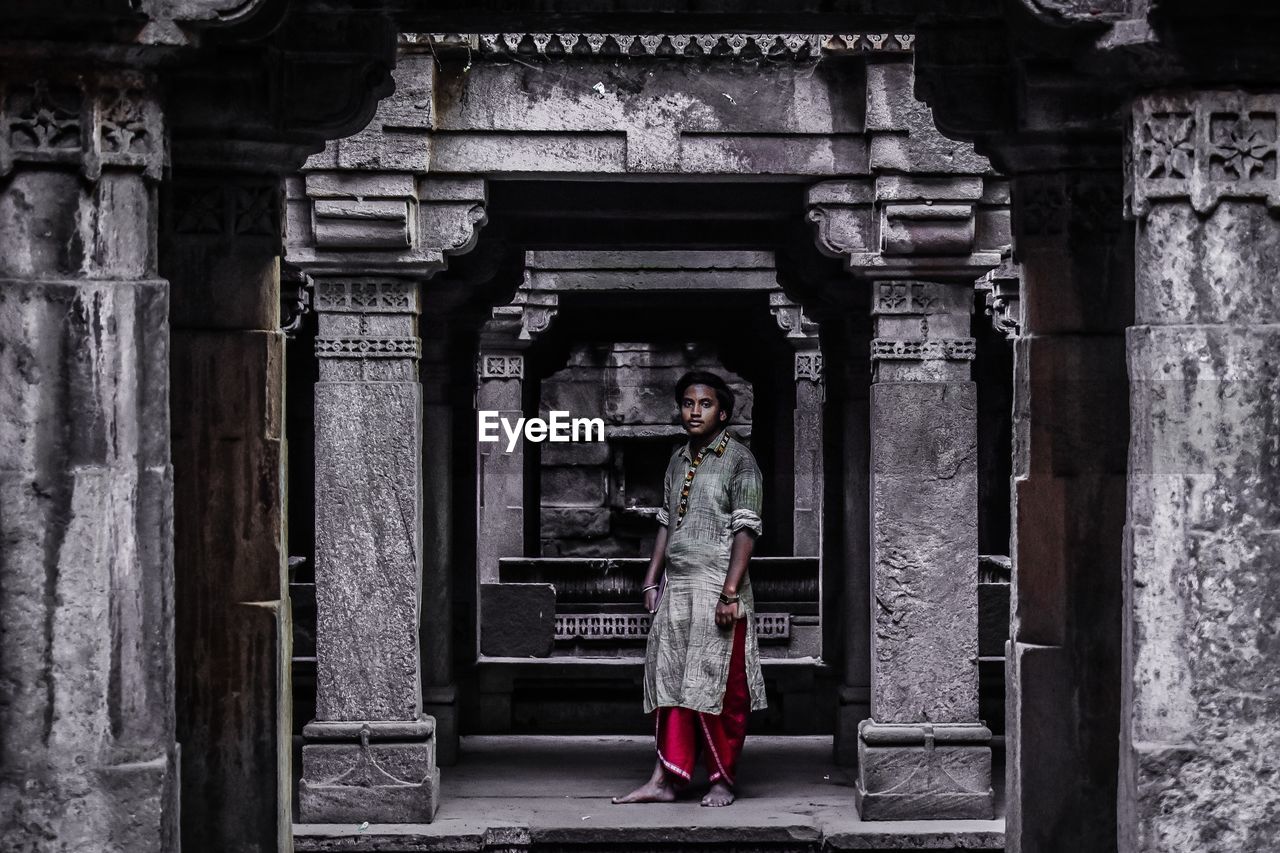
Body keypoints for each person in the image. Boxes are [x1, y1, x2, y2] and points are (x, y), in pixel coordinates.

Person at [612, 370, 766, 808]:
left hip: (719, 587)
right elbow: (666, 522)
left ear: (724, 413)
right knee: (671, 685)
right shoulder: (678, 459)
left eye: (705, 404)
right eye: (687, 403)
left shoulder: (740, 461)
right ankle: (664, 779)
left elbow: (747, 530)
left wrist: (731, 593)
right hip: (677, 589)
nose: (694, 411)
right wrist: (651, 579)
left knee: (721, 689)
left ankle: (722, 779)